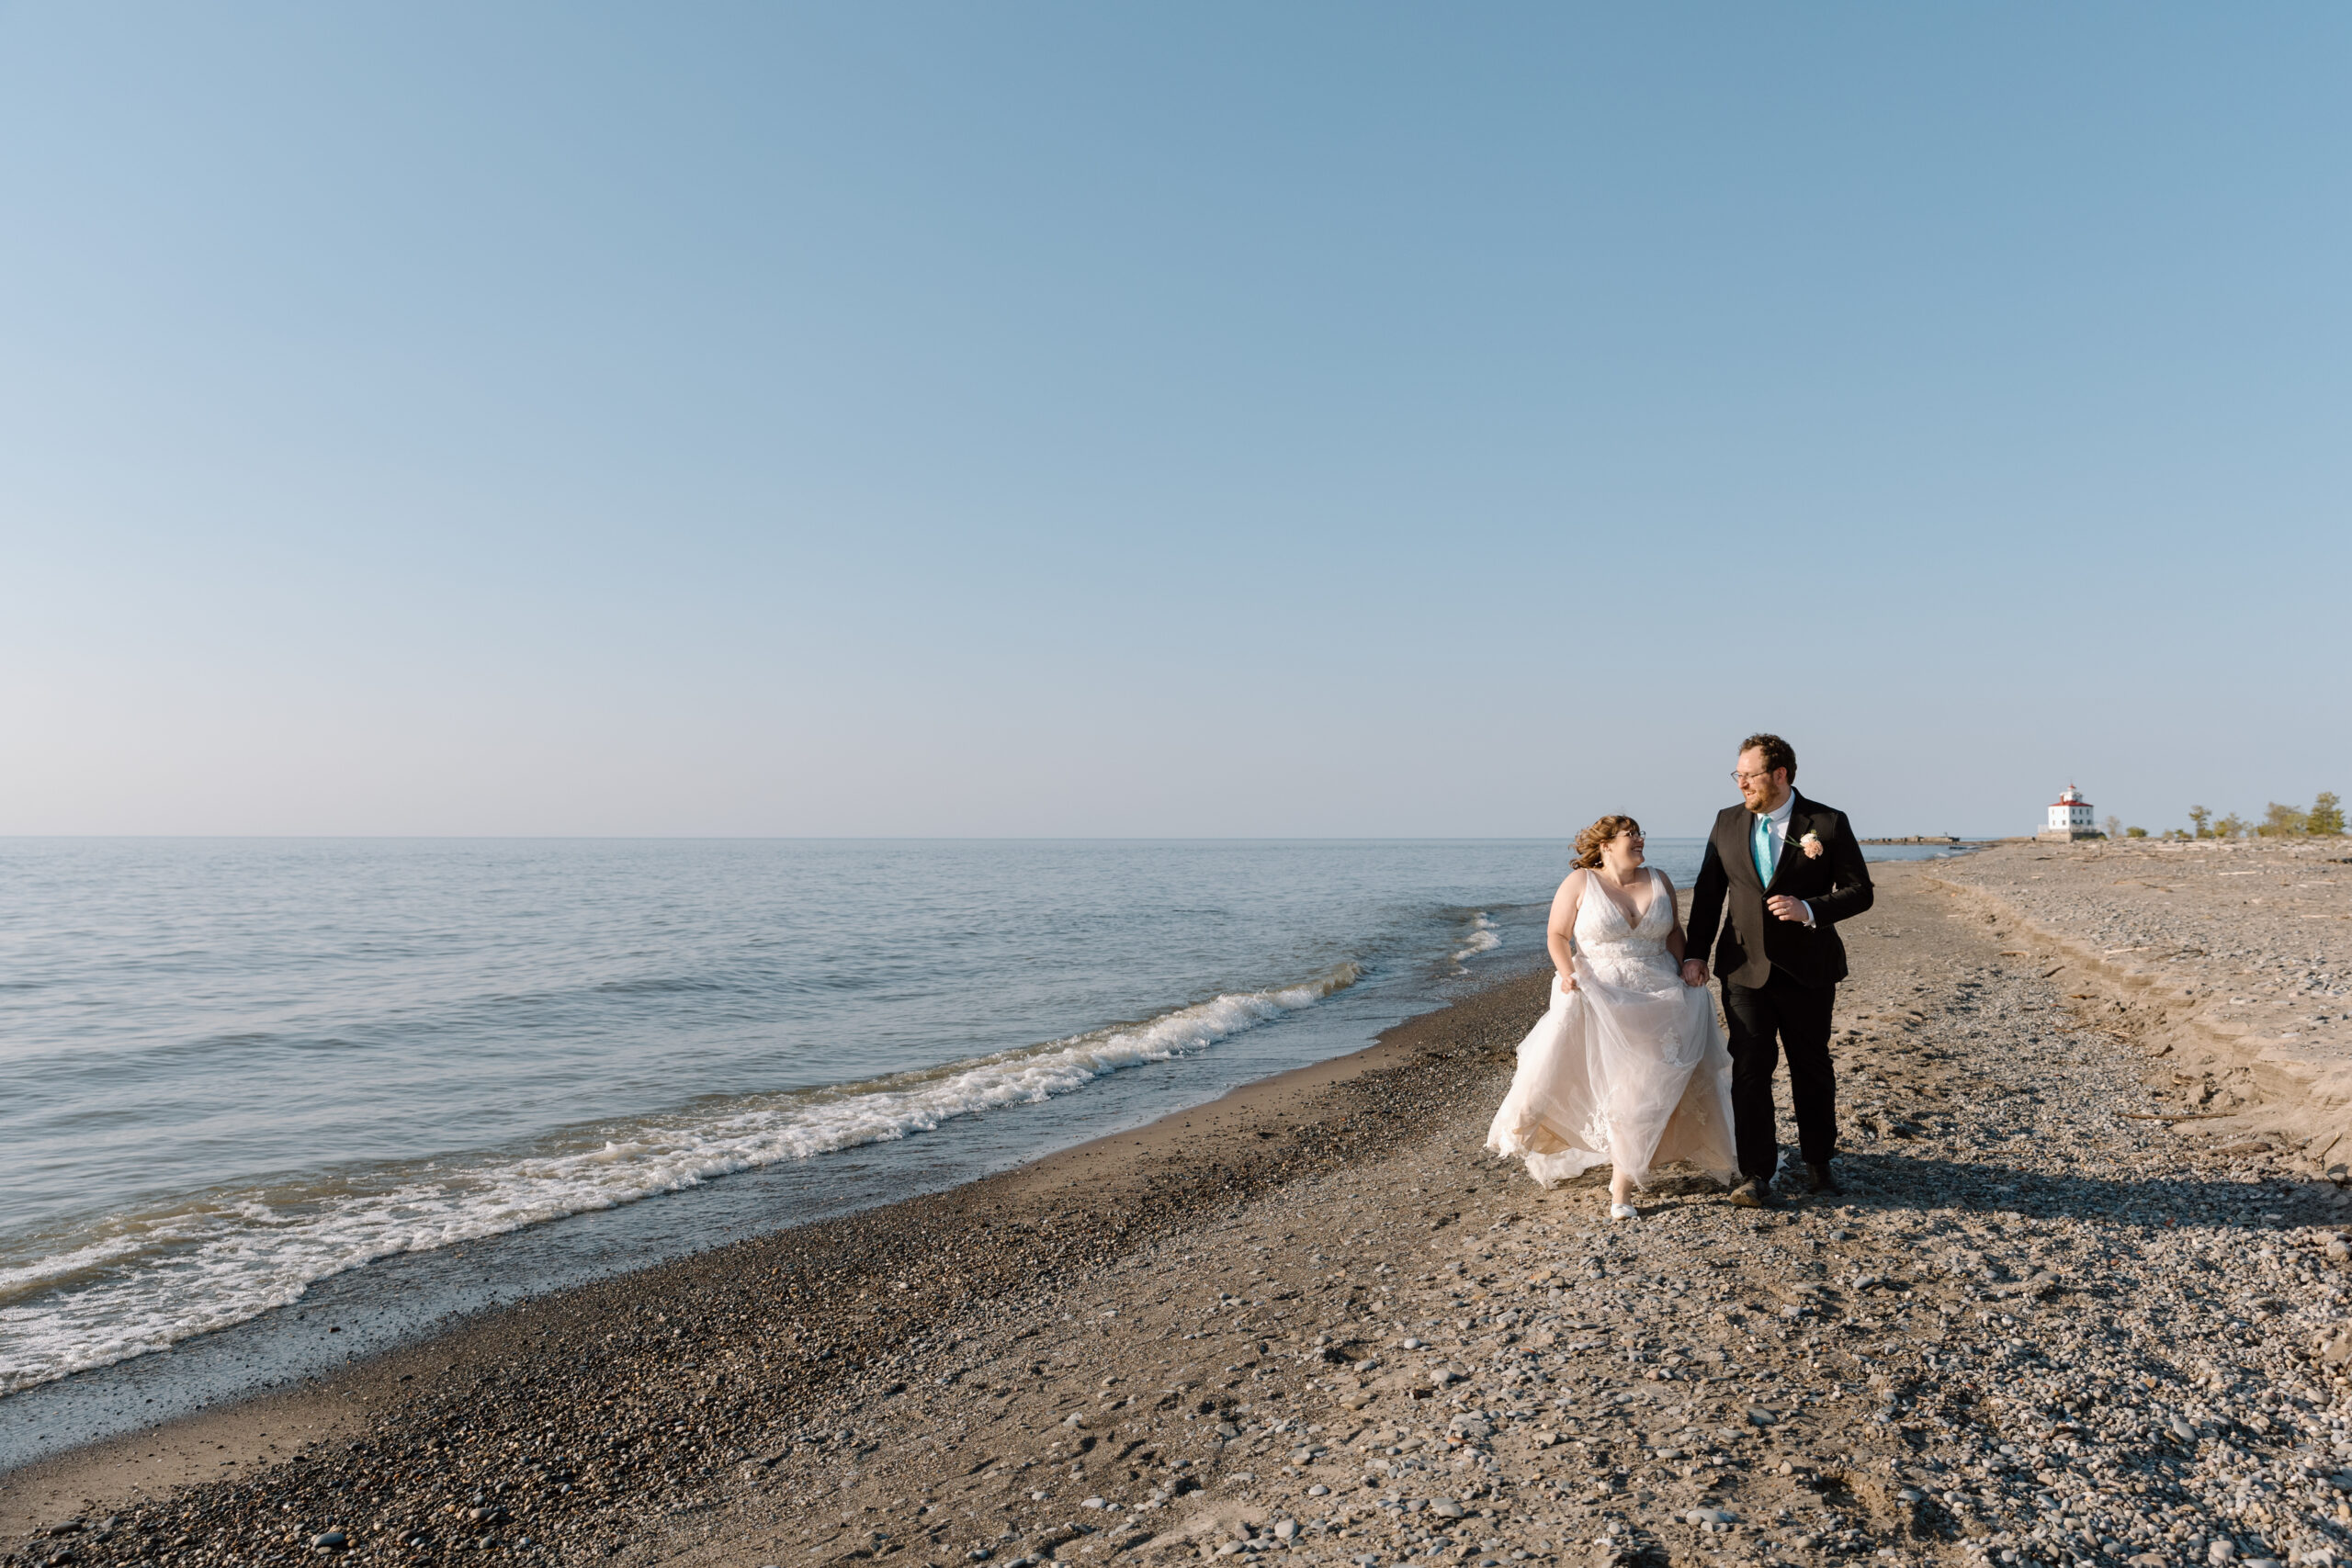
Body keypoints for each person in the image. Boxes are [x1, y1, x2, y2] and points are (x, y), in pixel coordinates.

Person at [1485, 815, 1736, 1219]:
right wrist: (1567, 972)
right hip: (1601, 995)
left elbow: (1673, 931)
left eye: (1640, 834)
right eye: (1630, 835)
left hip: (1660, 995)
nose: (1639, 840)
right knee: (1612, 1086)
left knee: (1647, 1088)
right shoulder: (1580, 883)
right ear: (1605, 846)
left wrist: (1689, 962)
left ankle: (1625, 1179)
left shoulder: (1659, 879)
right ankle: (1617, 1185)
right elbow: (1556, 934)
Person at [1681, 732, 1874, 1207]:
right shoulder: (1726, 822)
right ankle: (1755, 1173)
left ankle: (1818, 1164)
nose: (1741, 782)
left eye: (1749, 774)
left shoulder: (1826, 823)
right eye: (1738, 775)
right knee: (1749, 1070)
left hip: (1809, 969)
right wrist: (1694, 953)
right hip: (1743, 968)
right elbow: (1709, 894)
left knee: (1811, 1067)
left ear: (1780, 774)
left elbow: (1860, 890)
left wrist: (1809, 908)